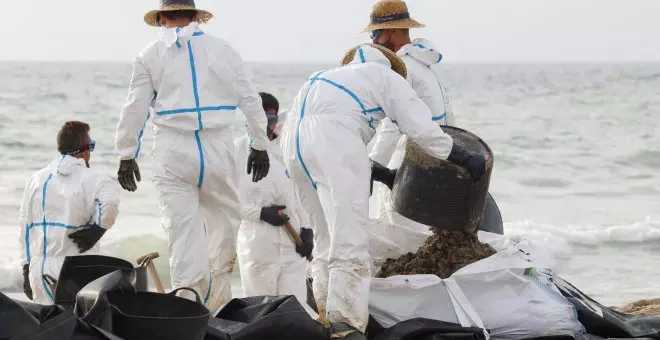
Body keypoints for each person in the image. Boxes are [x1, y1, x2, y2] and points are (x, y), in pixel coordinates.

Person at [279, 43, 485, 334]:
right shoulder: (385, 76)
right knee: (350, 239)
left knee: (325, 237)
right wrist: (461, 155)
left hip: (293, 146)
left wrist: (375, 170)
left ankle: (322, 315)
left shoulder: (324, 77)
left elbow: (331, 123)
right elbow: (420, 128)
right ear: (390, 66)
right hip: (333, 143)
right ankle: (345, 325)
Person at [114, 0, 270, 309]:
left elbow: (136, 107)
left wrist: (127, 153)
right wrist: (260, 144)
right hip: (218, 145)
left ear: (160, 18)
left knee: (182, 233)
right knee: (226, 225)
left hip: (173, 150)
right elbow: (250, 99)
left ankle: (187, 305)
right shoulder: (224, 50)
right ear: (197, 16)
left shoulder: (149, 56)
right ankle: (216, 302)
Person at [19, 121, 120, 305]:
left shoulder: (36, 179)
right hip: (74, 270)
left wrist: (26, 268)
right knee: (77, 327)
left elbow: (25, 228)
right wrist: (98, 229)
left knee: (48, 328)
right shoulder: (96, 179)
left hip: (39, 270)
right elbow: (110, 203)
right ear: (85, 150)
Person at [234, 92, 315, 315]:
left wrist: (308, 230)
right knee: (261, 315)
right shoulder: (236, 152)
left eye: (271, 120)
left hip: (293, 248)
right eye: (261, 120)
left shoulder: (285, 150)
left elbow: (300, 194)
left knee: (296, 313)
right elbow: (227, 202)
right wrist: (260, 213)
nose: (267, 126)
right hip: (258, 248)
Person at [365, 0, 454, 166]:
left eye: (375, 34)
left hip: (420, 162)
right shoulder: (421, 62)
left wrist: (372, 166)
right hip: (440, 154)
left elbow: (393, 125)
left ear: (391, 31)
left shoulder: (402, 67)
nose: (374, 42)